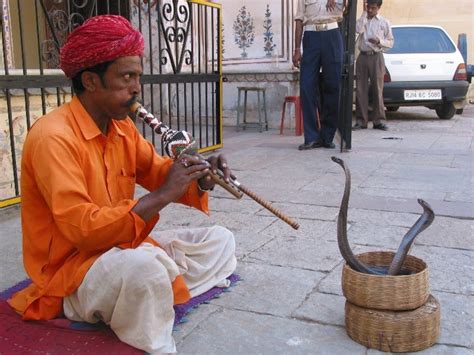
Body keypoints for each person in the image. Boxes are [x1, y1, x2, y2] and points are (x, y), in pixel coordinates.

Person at [7, 15, 237, 354]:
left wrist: (201, 178)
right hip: (71, 269)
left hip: (121, 250)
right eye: (126, 77)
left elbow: (159, 172)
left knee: (220, 241)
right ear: (90, 81)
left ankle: (137, 294)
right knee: (145, 272)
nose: (136, 89)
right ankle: (129, 308)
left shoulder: (122, 128)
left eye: (138, 77)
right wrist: (162, 195)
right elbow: (83, 230)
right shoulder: (53, 137)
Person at [293, 0, 346, 150]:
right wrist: (297, 49)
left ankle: (327, 136)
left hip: (332, 35)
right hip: (311, 36)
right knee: (306, 86)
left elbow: (347, 8)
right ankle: (311, 137)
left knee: (332, 85)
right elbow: (299, 19)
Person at [353, 0, 394, 131]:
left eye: (373, 8)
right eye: (369, 7)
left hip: (376, 56)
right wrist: (364, 13)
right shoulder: (363, 19)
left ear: (379, 7)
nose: (370, 10)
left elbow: (390, 42)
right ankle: (361, 120)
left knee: (377, 89)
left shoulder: (384, 22)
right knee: (360, 89)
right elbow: (357, 29)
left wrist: (379, 41)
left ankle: (379, 120)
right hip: (363, 56)